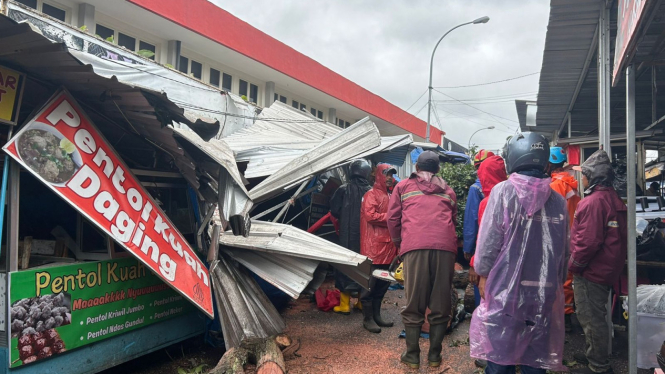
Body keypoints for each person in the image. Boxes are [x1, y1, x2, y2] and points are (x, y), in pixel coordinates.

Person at [469, 132, 569, 373]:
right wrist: (557, 281)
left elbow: (488, 245)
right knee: (534, 355)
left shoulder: (502, 192)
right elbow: (563, 252)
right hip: (543, 290)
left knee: (500, 354)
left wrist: (482, 273)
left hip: (505, 290)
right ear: (544, 159)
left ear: (511, 159)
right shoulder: (558, 200)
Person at [387, 150, 458, 369]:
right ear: (437, 169)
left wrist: (400, 242)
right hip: (445, 248)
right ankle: (435, 356)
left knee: (414, 302)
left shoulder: (403, 186)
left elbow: (392, 217)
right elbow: (454, 219)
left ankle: (412, 356)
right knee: (440, 302)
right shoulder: (449, 190)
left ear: (417, 168)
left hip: (415, 246)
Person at [569, 150, 627, 374]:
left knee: (591, 319)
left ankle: (598, 367)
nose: (580, 178)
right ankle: (594, 354)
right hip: (605, 269)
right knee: (595, 317)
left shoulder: (593, 202)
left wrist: (572, 265)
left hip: (591, 272)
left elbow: (588, 242)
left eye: (583, 173)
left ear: (592, 177)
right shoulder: (611, 197)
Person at [359, 164, 398, 333]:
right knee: (369, 285)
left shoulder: (390, 195)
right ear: (379, 176)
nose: (389, 177)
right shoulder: (370, 194)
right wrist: (392, 217)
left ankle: (376, 315)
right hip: (373, 248)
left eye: (391, 174)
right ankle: (367, 318)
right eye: (386, 174)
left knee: (382, 285)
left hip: (387, 249)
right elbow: (370, 216)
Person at [329, 159, 372, 314]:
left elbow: (334, 210)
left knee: (345, 265)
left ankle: (344, 304)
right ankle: (361, 302)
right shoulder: (371, 191)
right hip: (365, 237)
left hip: (346, 236)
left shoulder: (343, 189)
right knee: (363, 266)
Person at [548, 146, 581, 333]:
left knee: (557, 278)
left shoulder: (555, 186)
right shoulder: (571, 184)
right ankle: (567, 313)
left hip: (557, 237)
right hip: (571, 235)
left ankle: (562, 317)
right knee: (567, 277)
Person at [463, 150, 496, 262]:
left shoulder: (475, 189)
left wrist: (468, 247)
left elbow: (471, 220)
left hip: (482, 244)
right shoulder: (507, 187)